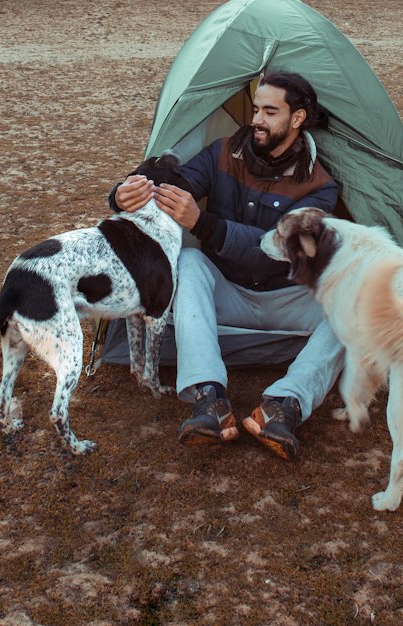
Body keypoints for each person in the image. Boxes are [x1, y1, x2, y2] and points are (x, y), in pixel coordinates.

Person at [110, 69, 345, 460]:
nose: (256, 120)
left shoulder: (319, 187)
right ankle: (209, 399)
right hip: (230, 292)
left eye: (270, 112)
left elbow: (279, 250)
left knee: (350, 303)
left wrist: (202, 223)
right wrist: (125, 195)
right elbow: (172, 188)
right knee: (190, 261)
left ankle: (284, 405)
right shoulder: (221, 153)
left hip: (287, 297)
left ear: (298, 118)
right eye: (256, 109)